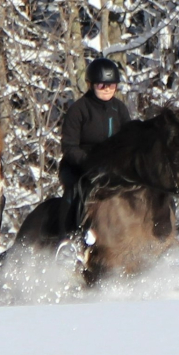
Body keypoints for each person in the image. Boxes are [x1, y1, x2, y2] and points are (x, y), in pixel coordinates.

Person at [58, 57, 133, 235]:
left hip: (111, 168)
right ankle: (69, 236)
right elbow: (69, 146)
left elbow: (129, 139)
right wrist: (90, 162)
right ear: (91, 85)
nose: (107, 89)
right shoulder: (79, 109)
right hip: (79, 167)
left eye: (112, 85)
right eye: (101, 85)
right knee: (76, 193)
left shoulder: (119, 109)